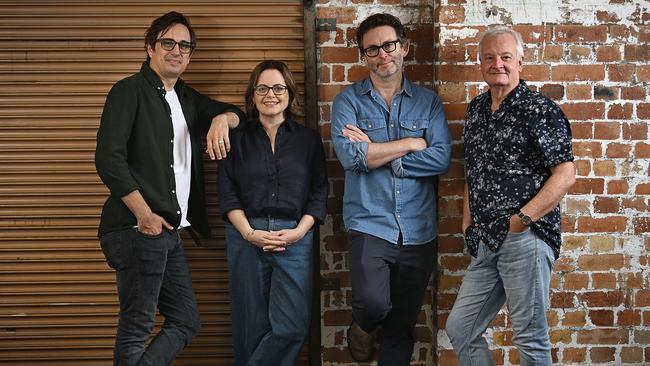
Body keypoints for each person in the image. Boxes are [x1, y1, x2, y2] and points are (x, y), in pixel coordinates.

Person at [94, 11, 244, 366]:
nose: (177, 50)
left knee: (186, 320)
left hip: (167, 231)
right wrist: (144, 216)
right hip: (138, 227)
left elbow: (235, 111)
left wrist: (222, 119)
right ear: (150, 47)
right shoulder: (128, 90)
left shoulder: (187, 99)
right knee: (136, 327)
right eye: (168, 43)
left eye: (185, 46)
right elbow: (108, 159)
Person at [445, 26, 576, 365]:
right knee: (461, 328)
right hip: (485, 239)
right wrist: (467, 225)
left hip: (525, 238)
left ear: (521, 61)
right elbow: (471, 172)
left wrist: (522, 219)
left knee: (529, 337)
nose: (497, 64)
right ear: (480, 64)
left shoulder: (540, 110)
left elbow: (565, 174)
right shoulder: (476, 111)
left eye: (505, 56)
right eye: (489, 57)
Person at [331, 13, 452, 365]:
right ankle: (363, 326)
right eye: (372, 49)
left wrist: (380, 152)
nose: (382, 55)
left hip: (419, 229)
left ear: (404, 47)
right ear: (363, 56)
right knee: (373, 304)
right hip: (370, 223)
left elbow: (441, 158)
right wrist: (412, 143)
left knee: (401, 324)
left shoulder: (427, 102)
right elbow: (352, 158)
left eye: (389, 45)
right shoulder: (348, 102)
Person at [217, 60, 327, 366]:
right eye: (262, 88)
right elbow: (227, 194)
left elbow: (318, 192)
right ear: (252, 95)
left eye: (278, 88)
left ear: (290, 93)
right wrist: (249, 233)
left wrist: (299, 232)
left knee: (291, 327)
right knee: (249, 328)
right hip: (245, 236)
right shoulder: (236, 139)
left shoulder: (308, 140)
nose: (271, 94)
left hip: (294, 237)